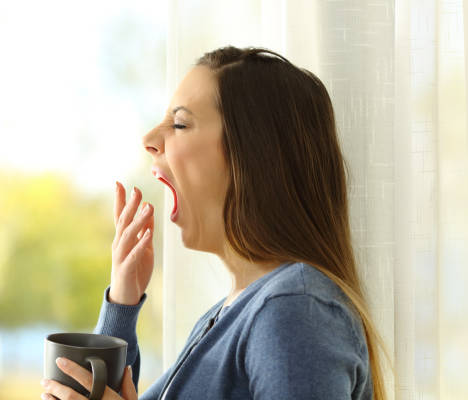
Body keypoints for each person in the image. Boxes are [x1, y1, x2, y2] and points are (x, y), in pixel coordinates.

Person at [40, 45, 393, 400]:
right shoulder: (236, 311)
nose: (149, 140)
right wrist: (122, 301)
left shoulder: (294, 307)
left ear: (253, 155)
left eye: (179, 123)